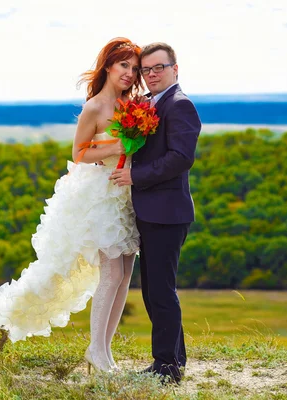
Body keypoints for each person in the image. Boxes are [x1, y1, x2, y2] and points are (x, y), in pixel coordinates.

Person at [0, 37, 142, 373]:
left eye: (134, 67)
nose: (129, 73)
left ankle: (103, 351)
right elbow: (80, 153)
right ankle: (95, 353)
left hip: (125, 194)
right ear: (108, 66)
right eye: (123, 65)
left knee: (126, 273)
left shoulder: (132, 105)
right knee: (112, 270)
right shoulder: (94, 108)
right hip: (98, 195)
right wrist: (118, 145)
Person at [110, 42, 201, 383]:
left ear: (175, 69)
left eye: (158, 68)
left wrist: (135, 176)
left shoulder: (180, 105)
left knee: (161, 291)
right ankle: (174, 358)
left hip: (167, 212)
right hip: (150, 211)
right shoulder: (150, 103)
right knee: (153, 290)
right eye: (146, 70)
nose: (151, 75)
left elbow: (181, 158)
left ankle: (166, 367)